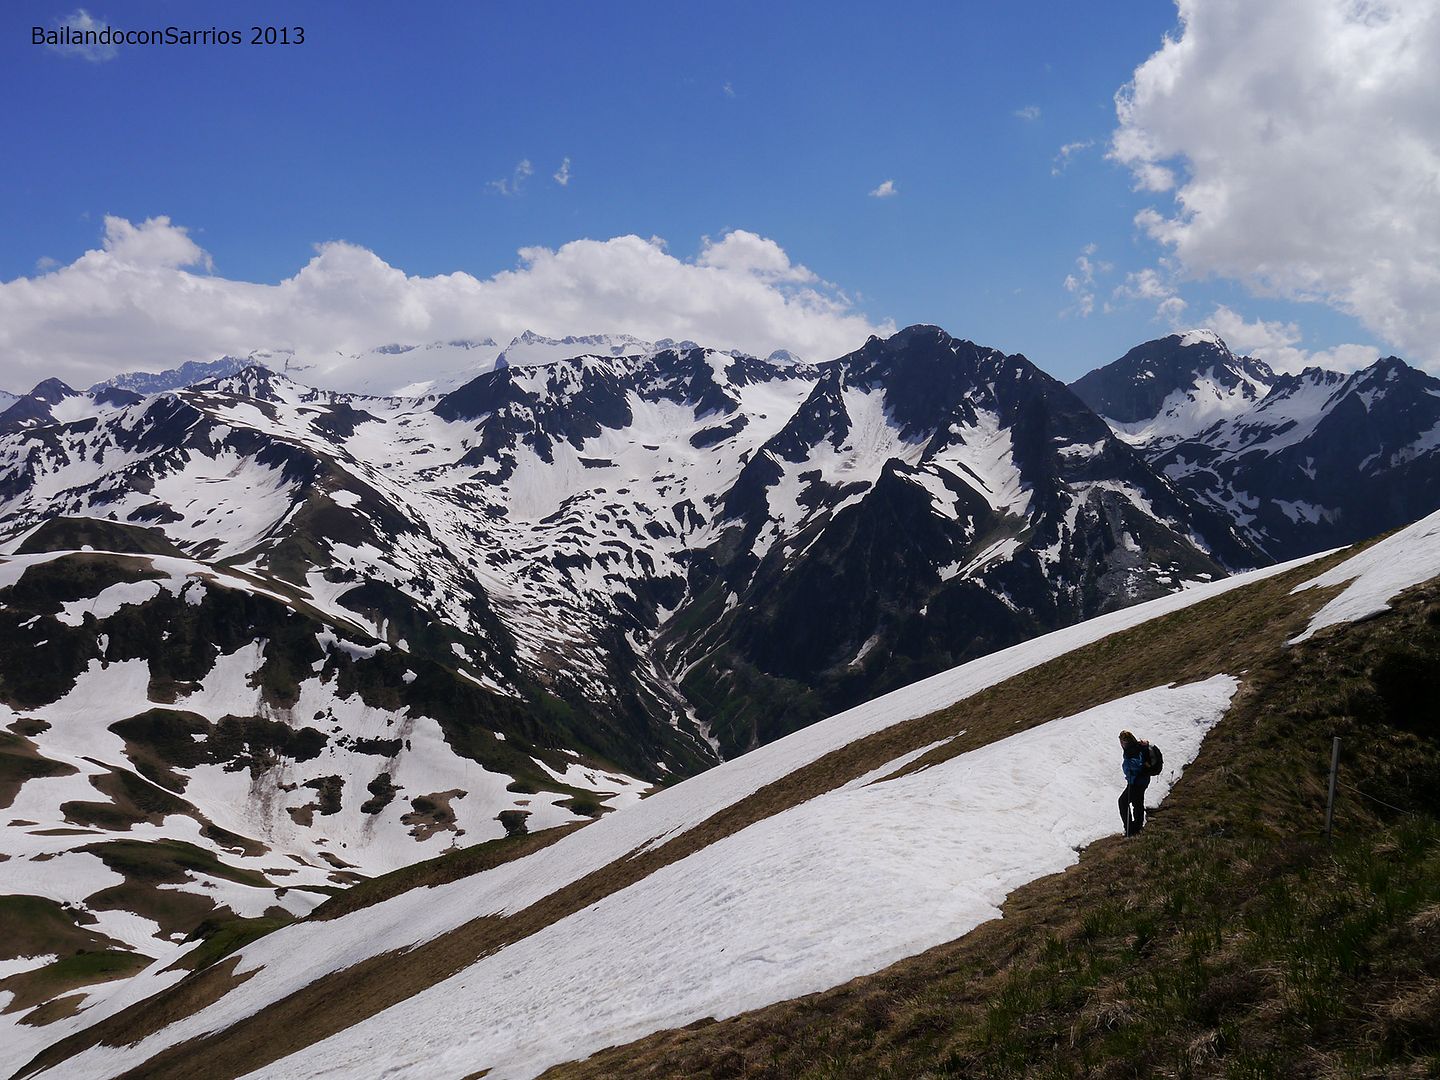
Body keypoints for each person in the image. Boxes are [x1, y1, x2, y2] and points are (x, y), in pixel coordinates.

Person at [1118, 730, 1149, 836]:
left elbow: (1136, 764)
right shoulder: (1138, 746)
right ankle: (1137, 828)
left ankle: (1130, 829)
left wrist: (1129, 768)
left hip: (1135, 782)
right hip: (1143, 780)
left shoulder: (1131, 750)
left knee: (1123, 802)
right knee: (1137, 802)